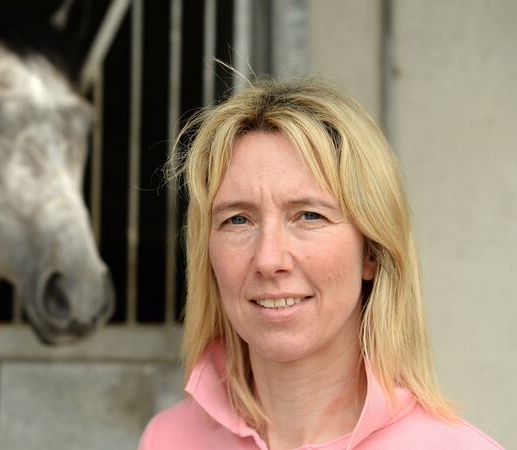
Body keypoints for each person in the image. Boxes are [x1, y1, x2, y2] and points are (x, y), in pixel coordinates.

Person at [139, 80, 503, 450]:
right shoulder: (167, 439)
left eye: (309, 216)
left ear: (372, 253)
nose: (269, 260)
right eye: (238, 219)